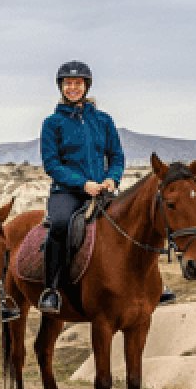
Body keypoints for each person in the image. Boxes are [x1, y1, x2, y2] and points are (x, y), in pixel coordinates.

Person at [39, 60, 134, 314]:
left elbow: (117, 156)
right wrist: (83, 184)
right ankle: (52, 289)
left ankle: (148, 284)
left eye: (78, 83)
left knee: (134, 223)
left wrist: (112, 179)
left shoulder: (103, 120)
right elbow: (52, 164)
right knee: (59, 225)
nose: (73, 88)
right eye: (68, 83)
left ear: (86, 86)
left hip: (103, 189)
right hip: (67, 192)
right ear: (61, 87)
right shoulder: (52, 123)